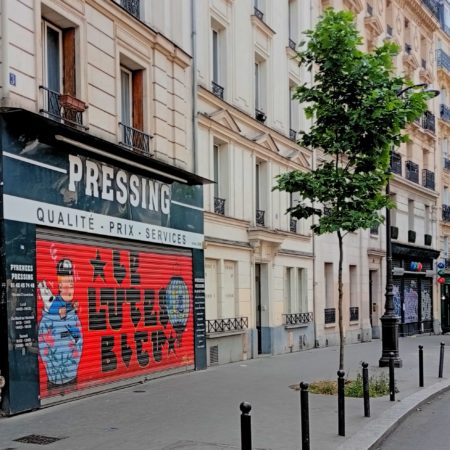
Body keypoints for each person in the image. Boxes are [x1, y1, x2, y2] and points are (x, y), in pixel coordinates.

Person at [38, 259, 83, 392]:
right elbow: (44, 348)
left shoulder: (73, 316)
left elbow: (79, 343)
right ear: (59, 287)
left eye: (72, 284)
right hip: (53, 380)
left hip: (72, 377)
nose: (70, 289)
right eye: (65, 284)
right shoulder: (48, 319)